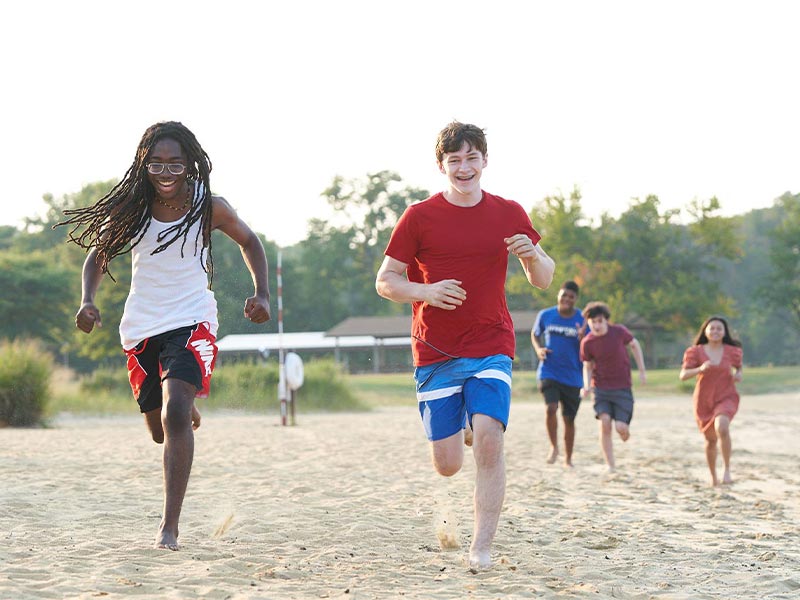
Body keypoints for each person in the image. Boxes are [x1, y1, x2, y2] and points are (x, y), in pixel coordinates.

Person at [56, 121, 271, 550]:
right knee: (158, 429)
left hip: (192, 319)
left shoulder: (209, 207)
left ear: (191, 164)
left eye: (175, 163)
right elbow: (98, 257)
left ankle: (168, 528)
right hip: (141, 325)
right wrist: (87, 300)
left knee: (174, 415)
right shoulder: (132, 210)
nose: (166, 171)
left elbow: (251, 242)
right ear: (143, 164)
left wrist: (261, 293)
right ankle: (183, 406)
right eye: (156, 163)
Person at [375, 121, 555, 569]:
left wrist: (532, 255)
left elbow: (543, 279)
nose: (464, 167)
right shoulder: (419, 216)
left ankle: (482, 547)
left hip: (492, 341)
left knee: (491, 440)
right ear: (442, 166)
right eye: (454, 160)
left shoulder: (509, 212)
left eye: (472, 157)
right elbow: (386, 281)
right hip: (435, 351)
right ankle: (465, 426)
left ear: (485, 161)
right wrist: (427, 292)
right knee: (449, 465)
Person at [579, 301, 646, 473]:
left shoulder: (619, 332)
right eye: (593, 321)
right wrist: (586, 386)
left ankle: (625, 432)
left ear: (606, 320)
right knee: (605, 422)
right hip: (600, 389)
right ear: (589, 322)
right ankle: (610, 464)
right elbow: (587, 366)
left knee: (621, 428)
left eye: (600, 321)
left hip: (622, 387)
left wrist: (641, 370)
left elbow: (634, 345)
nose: (597, 325)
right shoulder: (587, 342)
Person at [679, 316, 743, 486]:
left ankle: (727, 470)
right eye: (712, 328)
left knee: (722, 426)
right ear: (705, 331)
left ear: (724, 332)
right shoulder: (695, 351)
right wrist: (700, 369)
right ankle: (714, 477)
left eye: (719, 328)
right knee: (710, 440)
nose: (715, 331)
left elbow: (738, 366)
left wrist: (738, 374)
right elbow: (683, 375)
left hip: (726, 395)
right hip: (704, 400)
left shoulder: (732, 351)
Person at [531, 281, 585, 466]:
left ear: (576, 299)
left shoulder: (582, 320)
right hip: (549, 370)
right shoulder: (546, 315)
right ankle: (554, 447)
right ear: (558, 296)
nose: (567, 299)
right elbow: (534, 334)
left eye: (571, 297)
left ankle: (568, 459)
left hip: (573, 376)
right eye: (564, 295)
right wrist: (539, 350)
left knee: (569, 419)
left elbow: (590, 345)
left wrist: (583, 338)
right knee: (550, 408)